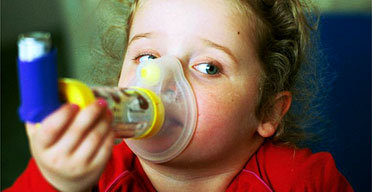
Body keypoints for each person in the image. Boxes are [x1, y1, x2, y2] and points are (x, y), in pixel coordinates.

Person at [6, 0, 354, 191]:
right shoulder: (96, 175)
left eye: (208, 67)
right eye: (147, 57)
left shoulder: (304, 181)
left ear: (268, 112)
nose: (160, 79)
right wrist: (59, 182)